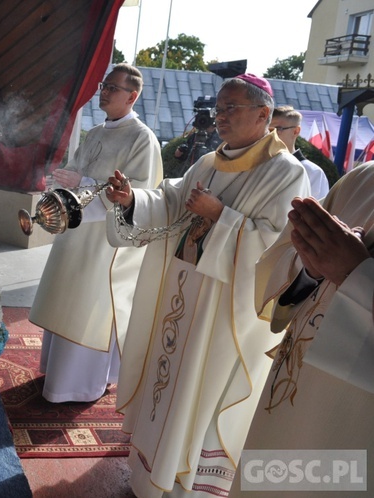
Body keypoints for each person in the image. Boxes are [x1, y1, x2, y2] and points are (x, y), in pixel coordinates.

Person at [104, 74, 310, 497]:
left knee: (198, 391)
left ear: (263, 114)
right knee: (167, 384)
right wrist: (132, 201)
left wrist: (222, 215)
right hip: (181, 289)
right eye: (219, 108)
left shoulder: (285, 172)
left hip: (222, 308)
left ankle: (187, 485)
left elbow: (280, 248)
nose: (220, 116)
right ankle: (152, 472)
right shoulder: (208, 162)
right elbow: (172, 200)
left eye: (231, 107)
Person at [229, 163, 374, 497]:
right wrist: (309, 266)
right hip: (292, 394)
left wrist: (356, 275)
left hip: (350, 421)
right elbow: (287, 257)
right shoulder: (362, 178)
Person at [29, 63, 163, 403]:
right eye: (104, 85)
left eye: (113, 88)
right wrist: (65, 177)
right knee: (66, 301)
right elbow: (78, 169)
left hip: (105, 243)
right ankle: (58, 375)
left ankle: (79, 386)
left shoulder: (142, 138)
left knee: (88, 308)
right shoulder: (98, 131)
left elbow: (139, 192)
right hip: (75, 233)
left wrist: (85, 184)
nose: (104, 91)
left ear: (132, 96)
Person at [271, 105, 329, 199]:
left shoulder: (312, 172)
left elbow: (315, 210)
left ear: (296, 131)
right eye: (267, 130)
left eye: (277, 129)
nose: (270, 134)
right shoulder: (259, 164)